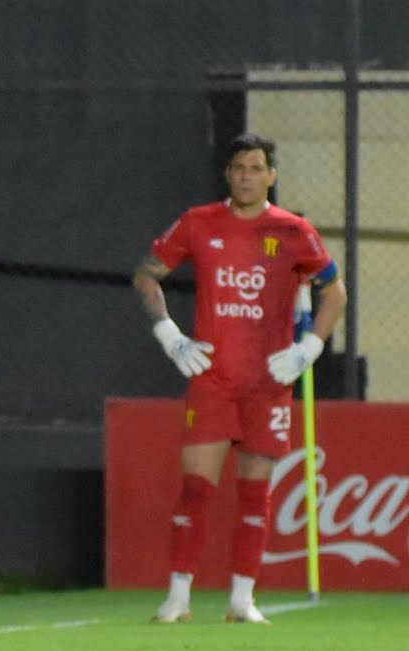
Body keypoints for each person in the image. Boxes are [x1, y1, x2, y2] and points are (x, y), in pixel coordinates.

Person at [132, 132, 347, 624]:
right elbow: (147, 273)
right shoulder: (198, 222)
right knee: (196, 487)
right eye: (238, 168)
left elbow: (335, 292)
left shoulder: (295, 232)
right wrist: (170, 335)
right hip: (211, 378)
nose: (246, 176)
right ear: (228, 174)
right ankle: (177, 599)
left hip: (269, 382)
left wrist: (309, 348)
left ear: (271, 175)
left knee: (256, 493)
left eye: (255, 168)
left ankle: (242, 601)